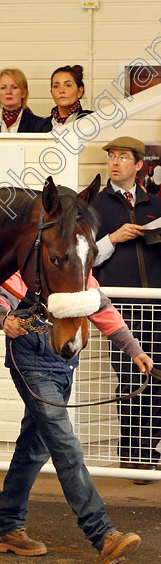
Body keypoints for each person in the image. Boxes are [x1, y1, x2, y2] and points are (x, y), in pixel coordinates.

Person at [0, 270, 152, 564]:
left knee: (35, 448)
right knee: (66, 447)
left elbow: (102, 310)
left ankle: (6, 525)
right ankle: (103, 535)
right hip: (31, 368)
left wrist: (134, 350)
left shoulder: (79, 271)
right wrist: (4, 318)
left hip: (64, 367)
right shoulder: (26, 267)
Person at [93, 136, 161, 479]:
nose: (115, 162)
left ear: (139, 166)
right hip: (120, 307)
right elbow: (85, 255)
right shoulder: (94, 204)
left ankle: (149, 451)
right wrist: (113, 239)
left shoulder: (156, 204)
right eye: (112, 157)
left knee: (158, 376)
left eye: (123, 157)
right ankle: (134, 457)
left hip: (157, 306)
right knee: (132, 378)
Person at [0, 68, 45, 133]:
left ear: (23, 93)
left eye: (14, 87)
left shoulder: (39, 124)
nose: (8, 92)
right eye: (3, 88)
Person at [37, 64, 93, 132]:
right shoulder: (41, 125)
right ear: (51, 93)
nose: (61, 91)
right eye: (56, 86)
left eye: (68, 85)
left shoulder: (92, 119)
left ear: (79, 91)